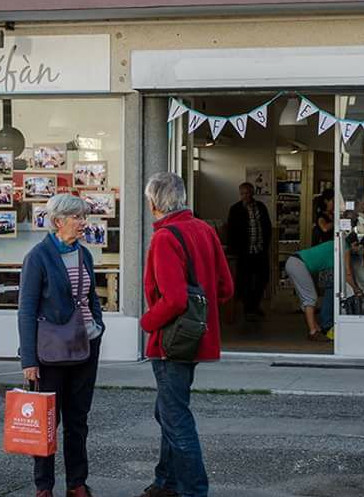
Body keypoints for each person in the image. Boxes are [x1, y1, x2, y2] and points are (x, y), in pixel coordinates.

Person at [139, 172, 234, 497]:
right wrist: (200, 312)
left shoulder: (165, 237)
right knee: (167, 409)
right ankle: (165, 482)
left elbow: (175, 299)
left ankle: (193, 490)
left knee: (176, 418)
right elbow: (226, 287)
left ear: (153, 203)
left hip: (170, 341)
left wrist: (148, 322)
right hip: (195, 336)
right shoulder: (204, 230)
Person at [18, 194, 105, 497]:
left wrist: (98, 324)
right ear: (58, 222)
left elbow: (92, 295)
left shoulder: (84, 254)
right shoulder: (38, 257)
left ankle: (77, 483)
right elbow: (26, 310)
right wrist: (29, 359)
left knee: (78, 421)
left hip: (86, 345)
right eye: (78, 218)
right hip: (50, 353)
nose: (84, 223)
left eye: (84, 217)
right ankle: (44, 486)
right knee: (47, 422)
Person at [285, 235, 364, 342]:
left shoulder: (335, 244)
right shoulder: (345, 248)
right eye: (360, 248)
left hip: (294, 261)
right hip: (299, 264)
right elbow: (348, 273)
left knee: (307, 299)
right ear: (354, 244)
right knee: (311, 298)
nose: (358, 252)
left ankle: (316, 328)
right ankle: (313, 332)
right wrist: (357, 289)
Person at [226, 182, 272, 320]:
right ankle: (248, 308)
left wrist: (266, 245)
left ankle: (255, 305)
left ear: (252, 193)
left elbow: (267, 226)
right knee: (244, 280)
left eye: (248, 193)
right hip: (244, 251)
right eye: (243, 193)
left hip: (259, 250)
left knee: (262, 278)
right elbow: (231, 230)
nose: (246, 196)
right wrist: (233, 249)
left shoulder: (261, 207)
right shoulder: (235, 209)